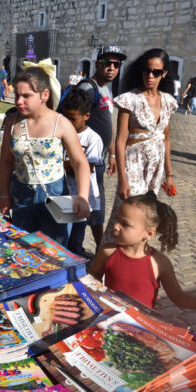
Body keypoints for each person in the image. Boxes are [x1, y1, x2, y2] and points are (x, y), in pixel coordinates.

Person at [0, 64, 91, 246]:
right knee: (23, 247)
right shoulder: (12, 122)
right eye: (17, 95)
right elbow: (6, 161)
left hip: (54, 195)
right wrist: (4, 195)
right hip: (21, 195)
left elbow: (80, 162)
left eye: (26, 96)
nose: (18, 101)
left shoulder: (61, 123)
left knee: (54, 251)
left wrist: (83, 197)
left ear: (44, 95)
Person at [109, 48, 176, 241]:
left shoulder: (169, 102)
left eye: (156, 72)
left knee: (146, 213)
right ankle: (112, 257)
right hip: (134, 163)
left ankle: (136, 253)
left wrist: (169, 175)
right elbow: (120, 139)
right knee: (127, 212)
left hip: (155, 167)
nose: (150, 76)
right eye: (146, 70)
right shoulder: (129, 99)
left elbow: (167, 139)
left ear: (164, 74)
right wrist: (122, 179)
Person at [90, 192, 196, 310]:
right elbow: (94, 274)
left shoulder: (159, 263)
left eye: (125, 224)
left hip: (142, 324)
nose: (116, 226)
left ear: (149, 234)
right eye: (117, 219)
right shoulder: (107, 251)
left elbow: (178, 296)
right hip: (109, 319)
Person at [71, 44, 126, 247]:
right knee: (90, 202)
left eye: (116, 64)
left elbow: (107, 122)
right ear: (97, 64)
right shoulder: (88, 88)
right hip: (86, 159)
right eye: (107, 63)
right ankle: (96, 250)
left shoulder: (107, 90)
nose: (112, 67)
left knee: (95, 204)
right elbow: (72, 119)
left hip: (99, 157)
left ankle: (96, 248)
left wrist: (111, 152)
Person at [61, 89, 103, 256]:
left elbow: (86, 167)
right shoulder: (61, 133)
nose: (68, 123)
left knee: (76, 236)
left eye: (73, 119)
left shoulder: (92, 139)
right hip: (63, 195)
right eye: (65, 117)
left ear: (86, 115)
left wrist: (61, 164)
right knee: (62, 232)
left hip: (81, 196)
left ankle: (75, 261)